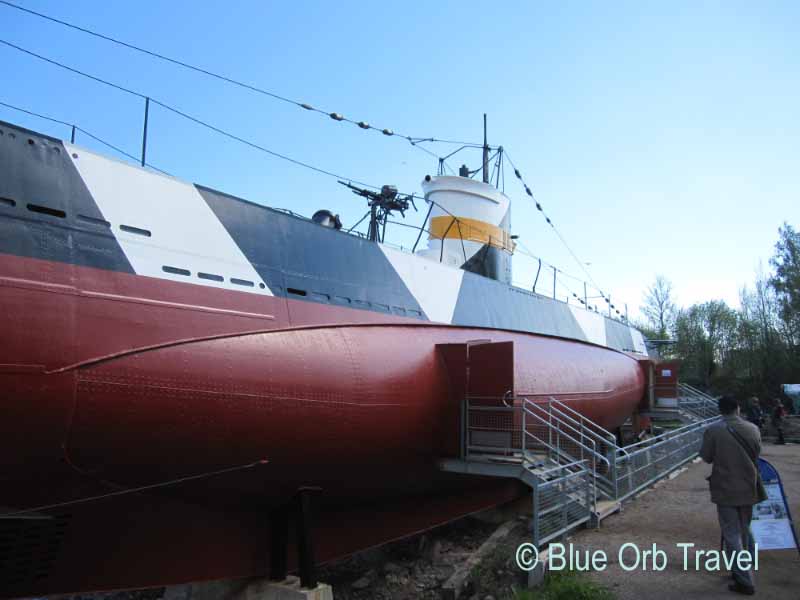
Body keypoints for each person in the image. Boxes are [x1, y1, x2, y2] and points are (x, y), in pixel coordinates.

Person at [700, 395, 765, 596]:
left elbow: (706, 456)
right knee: (744, 529)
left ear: (720, 410)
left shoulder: (713, 430)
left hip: (726, 488)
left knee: (731, 534)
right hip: (749, 486)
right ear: (737, 408)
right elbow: (757, 453)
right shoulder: (753, 429)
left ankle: (744, 580)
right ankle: (744, 567)